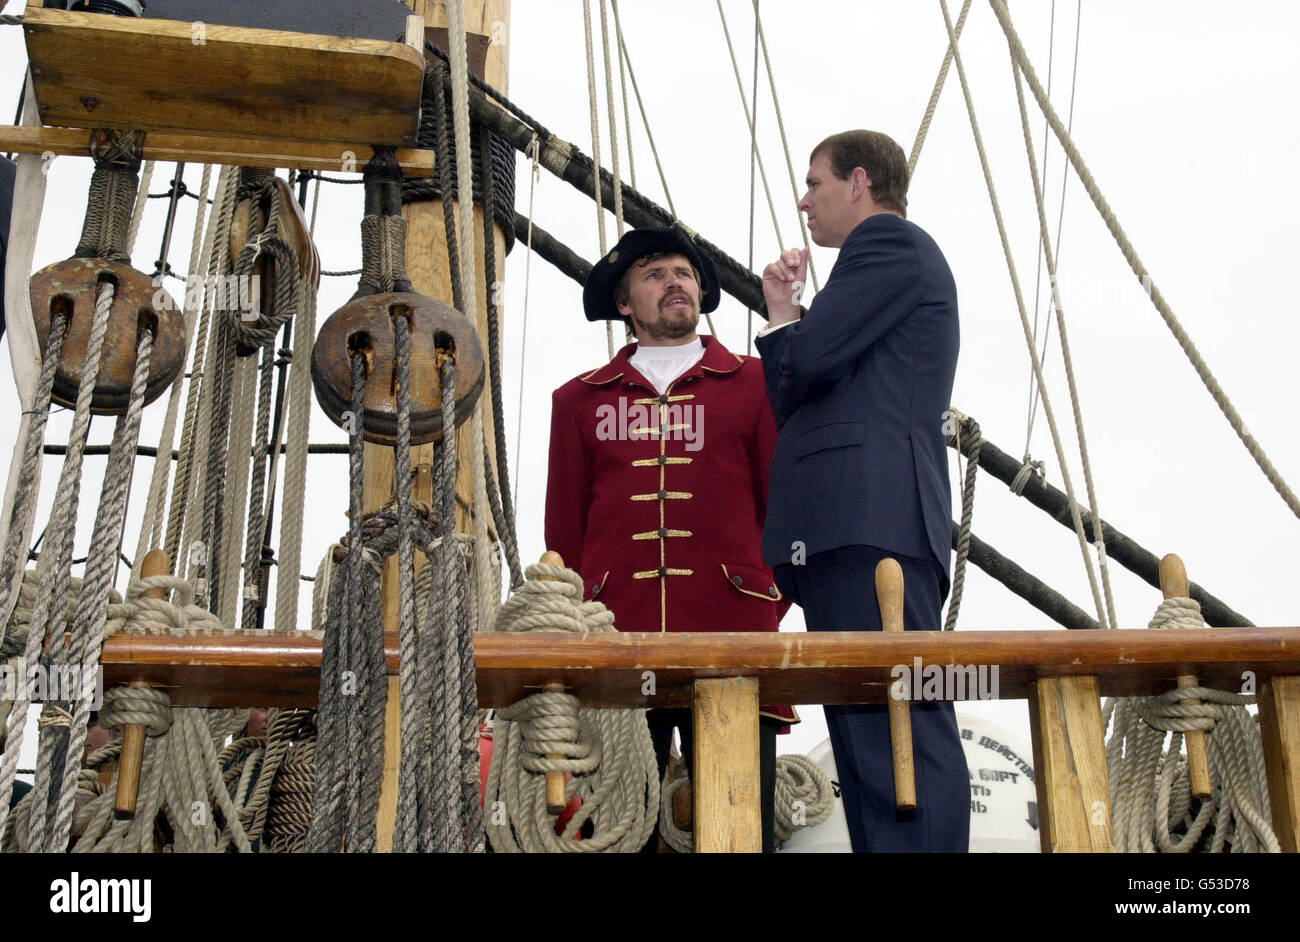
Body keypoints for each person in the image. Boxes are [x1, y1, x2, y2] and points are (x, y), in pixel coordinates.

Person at [545, 226, 795, 852]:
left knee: (739, 832)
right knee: (620, 834)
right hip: (615, 640)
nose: (675, 282)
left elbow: (782, 510)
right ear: (625, 304)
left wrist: (761, 598)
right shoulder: (577, 402)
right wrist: (584, 619)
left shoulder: (757, 384)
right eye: (655, 275)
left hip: (734, 635)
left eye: (683, 272)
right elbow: (563, 535)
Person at [756, 130, 969, 852]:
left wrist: (795, 327)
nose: (803, 199)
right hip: (855, 528)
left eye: (814, 182)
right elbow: (802, 391)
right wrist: (786, 311)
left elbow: (808, 362)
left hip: (868, 526)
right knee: (869, 729)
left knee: (900, 720)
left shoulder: (886, 246)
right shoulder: (881, 270)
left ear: (857, 182)